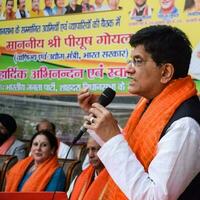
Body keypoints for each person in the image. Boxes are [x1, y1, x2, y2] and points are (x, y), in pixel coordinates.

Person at [78, 25, 200, 199]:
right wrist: (96, 114)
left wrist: (113, 139)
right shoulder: (151, 103)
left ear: (165, 72)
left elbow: (155, 196)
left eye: (138, 61)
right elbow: (132, 149)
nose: (128, 69)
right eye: (131, 60)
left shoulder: (185, 126)